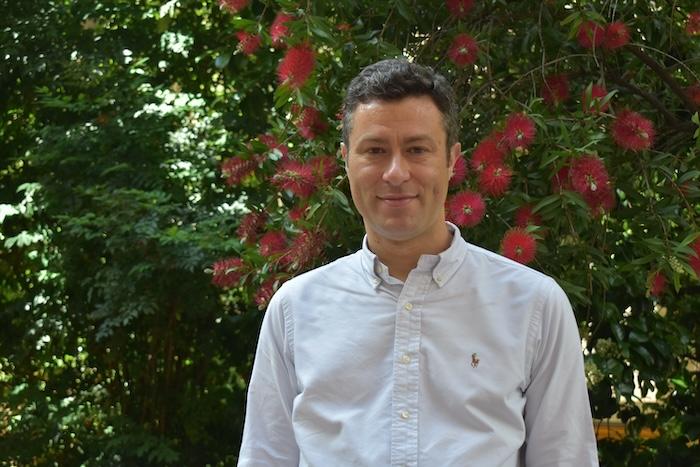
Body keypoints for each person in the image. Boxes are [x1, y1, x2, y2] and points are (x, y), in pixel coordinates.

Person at [238, 59, 599, 466]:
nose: (396, 173)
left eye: (417, 150)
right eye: (375, 151)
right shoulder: (295, 310)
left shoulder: (534, 306)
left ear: (451, 160)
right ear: (346, 160)